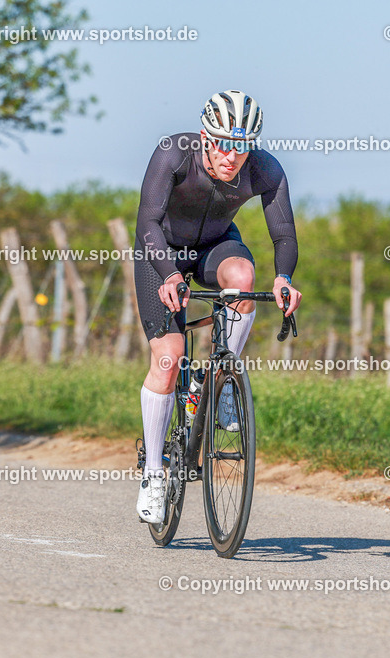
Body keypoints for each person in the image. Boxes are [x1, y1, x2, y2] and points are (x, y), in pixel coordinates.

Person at [134, 89, 302, 523]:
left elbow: (283, 235)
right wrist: (170, 274)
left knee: (243, 281)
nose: (232, 157)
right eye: (224, 144)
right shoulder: (174, 152)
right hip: (162, 252)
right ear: (206, 138)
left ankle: (222, 375)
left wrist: (284, 279)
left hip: (215, 247)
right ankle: (155, 472)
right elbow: (147, 221)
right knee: (169, 360)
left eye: (242, 147)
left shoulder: (265, 169)